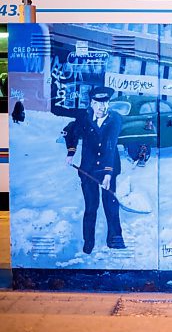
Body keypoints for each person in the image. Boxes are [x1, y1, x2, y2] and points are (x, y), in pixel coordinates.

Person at [51, 86, 126, 254]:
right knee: (91, 206)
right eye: (98, 103)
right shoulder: (84, 118)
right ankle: (88, 242)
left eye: (105, 103)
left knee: (111, 204)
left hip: (109, 168)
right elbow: (71, 131)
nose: (102, 107)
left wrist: (108, 173)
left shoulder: (115, 119)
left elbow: (110, 145)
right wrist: (71, 152)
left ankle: (115, 239)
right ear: (91, 103)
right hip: (89, 169)